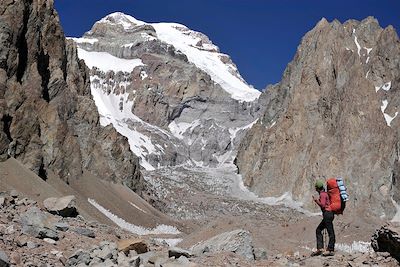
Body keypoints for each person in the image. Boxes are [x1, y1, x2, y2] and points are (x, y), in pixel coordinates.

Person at [311, 180, 335, 256]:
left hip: (327, 214)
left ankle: (330, 250)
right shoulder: (325, 194)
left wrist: (316, 201)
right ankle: (321, 248)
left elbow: (323, 205)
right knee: (319, 230)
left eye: (316, 188)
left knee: (330, 232)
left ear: (318, 188)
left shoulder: (322, 195)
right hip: (329, 214)